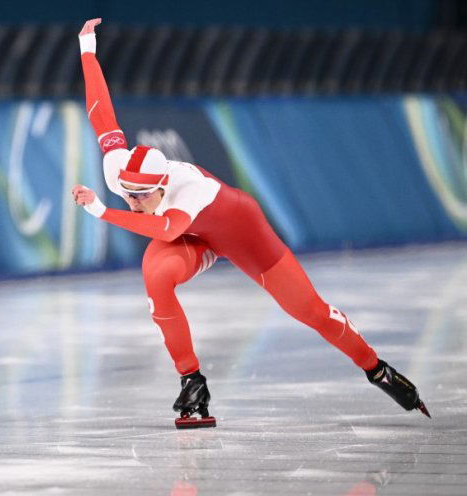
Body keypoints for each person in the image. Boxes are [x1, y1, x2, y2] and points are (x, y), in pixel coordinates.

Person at [71, 18, 429, 428]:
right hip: (194, 238)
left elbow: (168, 228)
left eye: (140, 197)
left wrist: (102, 212)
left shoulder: (190, 189)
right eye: (127, 195)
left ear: (162, 185)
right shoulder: (118, 168)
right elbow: (100, 110)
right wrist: (87, 49)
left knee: (308, 310)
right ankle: (192, 381)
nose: (133, 203)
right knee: (156, 274)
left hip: (239, 229)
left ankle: (378, 369)